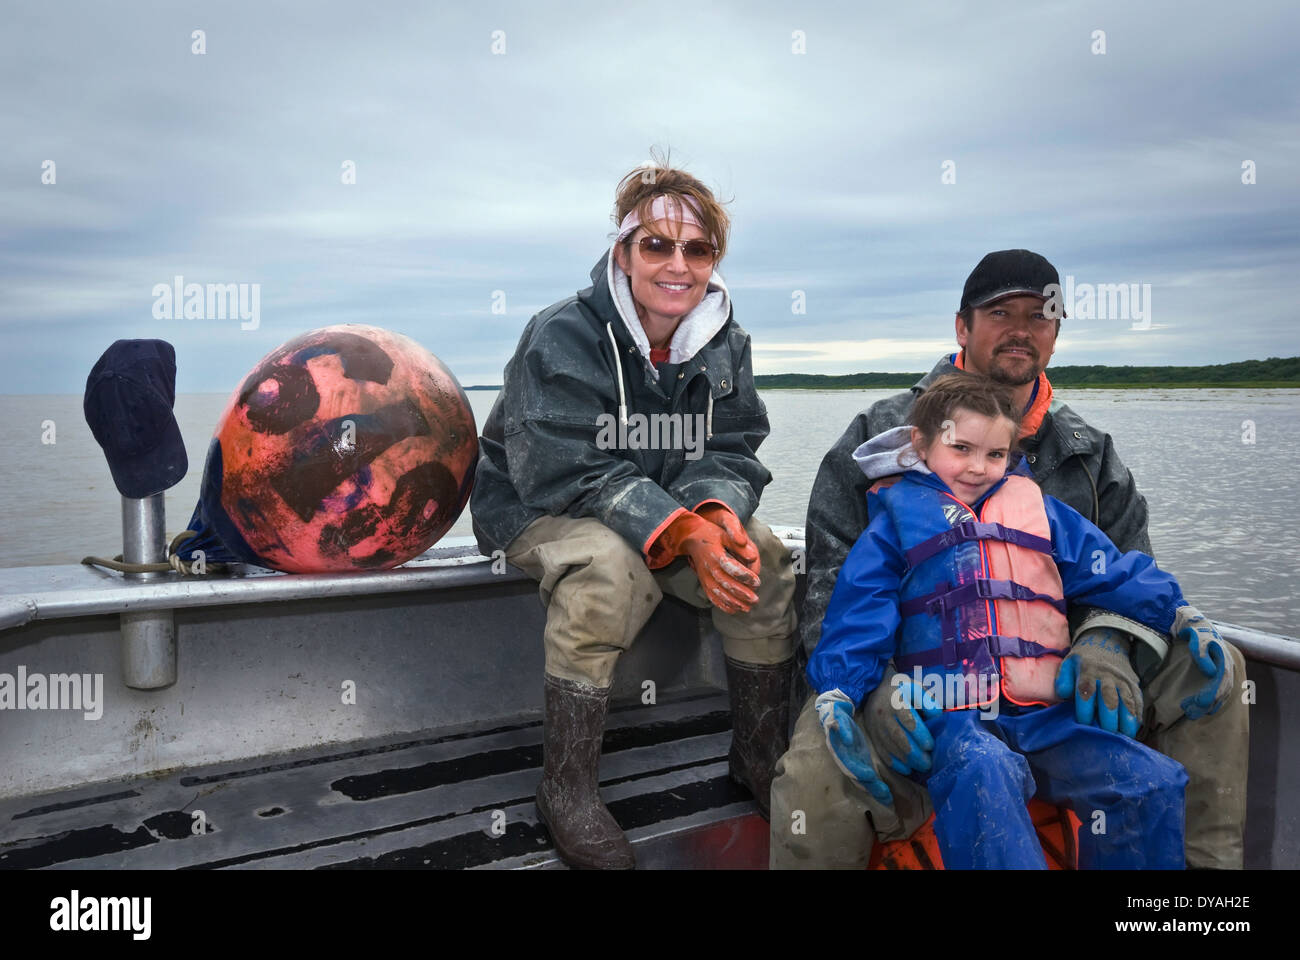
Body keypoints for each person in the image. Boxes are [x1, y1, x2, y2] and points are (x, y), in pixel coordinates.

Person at [770, 249, 1248, 870]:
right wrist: (873, 689)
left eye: (1040, 315)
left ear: (1056, 332)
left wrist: (1105, 642)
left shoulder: (1090, 452)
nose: (1022, 329)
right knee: (814, 771)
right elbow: (831, 588)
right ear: (962, 327)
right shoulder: (877, 434)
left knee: (1218, 667)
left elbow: (1126, 566)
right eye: (1000, 313)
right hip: (917, 679)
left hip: (1053, 681)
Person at [472, 158, 797, 870]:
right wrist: (679, 528)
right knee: (609, 567)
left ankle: (757, 753)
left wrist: (715, 511)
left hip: (660, 504)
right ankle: (566, 789)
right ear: (623, 253)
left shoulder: (726, 341)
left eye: (698, 249)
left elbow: (732, 443)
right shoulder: (559, 333)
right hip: (534, 503)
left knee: (764, 557)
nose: (678, 265)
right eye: (657, 245)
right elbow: (561, 465)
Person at [810, 373, 1195, 868]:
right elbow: (860, 612)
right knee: (985, 768)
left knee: (1152, 783)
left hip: (1043, 716)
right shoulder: (895, 524)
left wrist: (1180, 613)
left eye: (995, 454)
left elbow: (1115, 571)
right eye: (961, 449)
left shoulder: (1043, 513)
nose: (978, 467)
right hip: (950, 717)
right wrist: (842, 691)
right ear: (921, 445)